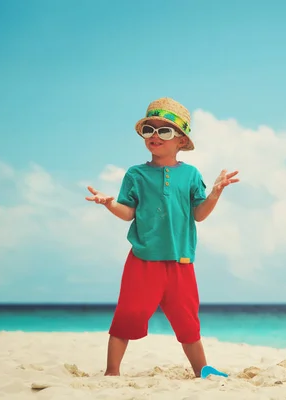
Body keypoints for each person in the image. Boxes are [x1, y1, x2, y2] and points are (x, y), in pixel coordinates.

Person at [85, 97, 239, 377]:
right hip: (143, 259)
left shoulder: (191, 175)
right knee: (127, 316)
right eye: (149, 130)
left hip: (181, 261)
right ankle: (112, 371)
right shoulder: (136, 174)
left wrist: (215, 193)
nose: (155, 136)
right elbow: (128, 212)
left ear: (181, 140)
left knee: (188, 321)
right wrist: (109, 203)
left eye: (164, 131)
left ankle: (202, 370)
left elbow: (199, 214)